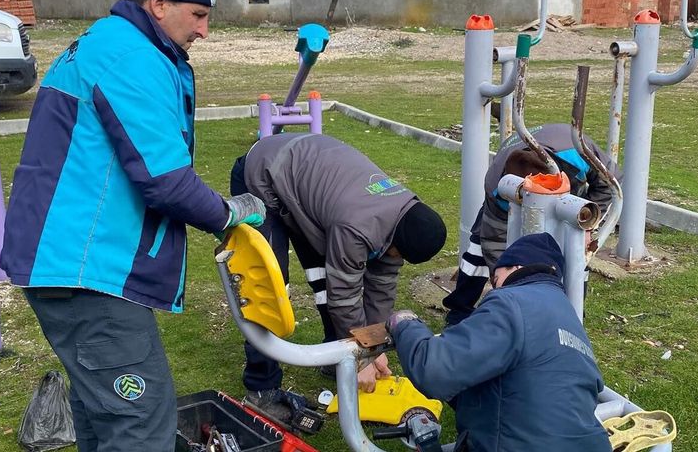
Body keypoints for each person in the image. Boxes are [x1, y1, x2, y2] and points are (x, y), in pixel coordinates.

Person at [0, 0, 266, 449]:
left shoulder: (107, 42)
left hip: (68, 262)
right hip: (88, 271)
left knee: (101, 411)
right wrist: (230, 213)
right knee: (141, 422)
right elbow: (166, 180)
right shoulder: (132, 58)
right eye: (200, 15)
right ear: (159, 3)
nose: (205, 31)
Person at [230, 132, 447, 417]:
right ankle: (262, 388)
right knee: (267, 289)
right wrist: (359, 361)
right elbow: (343, 295)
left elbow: (382, 286)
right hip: (262, 175)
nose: (396, 260)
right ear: (397, 240)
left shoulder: (405, 215)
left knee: (321, 276)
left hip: (305, 182)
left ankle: (333, 359)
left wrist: (373, 347)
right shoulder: (356, 226)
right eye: (398, 254)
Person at [388, 233, 612, 452]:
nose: (495, 288)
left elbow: (433, 369)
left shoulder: (511, 301)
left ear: (515, 267)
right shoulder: (568, 315)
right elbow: (522, 387)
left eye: (495, 279)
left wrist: (405, 323)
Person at [443, 123, 622, 325]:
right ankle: (459, 312)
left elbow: (610, 183)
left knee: (575, 252)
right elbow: (495, 239)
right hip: (507, 201)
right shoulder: (498, 186)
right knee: (478, 248)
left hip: (567, 195)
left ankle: (570, 312)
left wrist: (588, 223)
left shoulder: (577, 150)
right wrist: (505, 281)